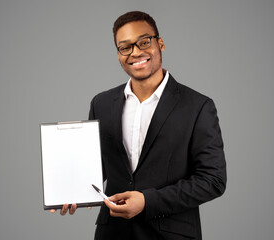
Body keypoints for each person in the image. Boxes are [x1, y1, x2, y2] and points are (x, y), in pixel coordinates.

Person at [52, 11, 227, 240]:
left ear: (160, 43)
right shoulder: (102, 103)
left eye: (144, 42)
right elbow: (96, 169)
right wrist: (72, 190)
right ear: (118, 55)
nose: (136, 52)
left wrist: (147, 201)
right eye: (125, 47)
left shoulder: (198, 106)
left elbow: (213, 180)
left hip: (171, 234)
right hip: (112, 233)